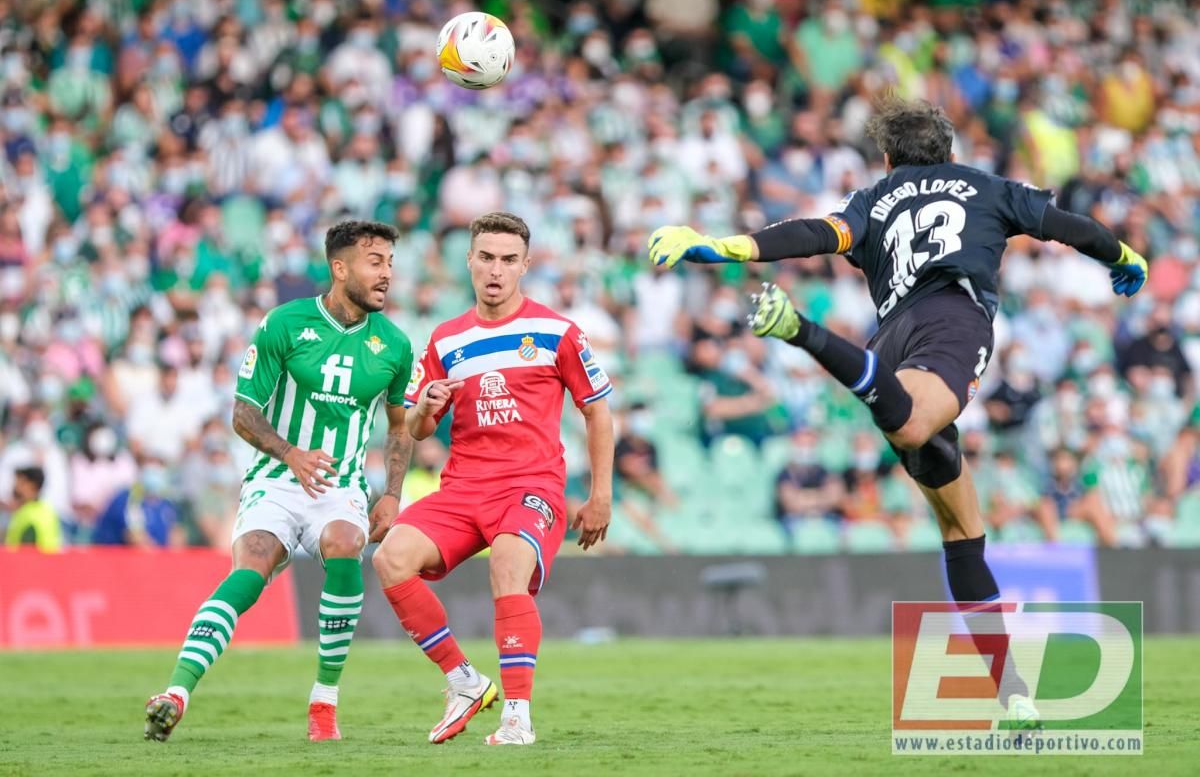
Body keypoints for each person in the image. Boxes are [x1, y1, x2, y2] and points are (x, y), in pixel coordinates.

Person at [648, 95, 1149, 727]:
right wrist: (1122, 256)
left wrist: (723, 246)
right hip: (952, 318)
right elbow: (1068, 225)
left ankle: (1014, 695)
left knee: (961, 531)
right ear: (949, 151)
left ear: (887, 158)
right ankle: (799, 329)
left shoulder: (871, 200)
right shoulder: (986, 186)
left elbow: (812, 235)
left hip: (892, 341)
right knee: (915, 421)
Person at [144, 220, 416, 743]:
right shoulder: (284, 325)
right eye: (375, 262)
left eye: (389, 263)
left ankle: (324, 704)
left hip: (341, 487)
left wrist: (392, 494)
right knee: (254, 562)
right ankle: (176, 691)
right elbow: (243, 413)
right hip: (276, 477)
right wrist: (291, 453)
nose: (386, 274)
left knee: (344, 543)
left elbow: (399, 428)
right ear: (340, 268)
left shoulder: (395, 345)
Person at [372, 211, 614, 747]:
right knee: (391, 559)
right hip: (461, 489)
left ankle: (517, 718)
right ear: (470, 261)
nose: (496, 270)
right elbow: (415, 424)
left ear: (526, 265)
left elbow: (597, 411)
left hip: (531, 486)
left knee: (507, 563)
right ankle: (464, 683)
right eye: (486, 258)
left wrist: (601, 495)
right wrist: (426, 408)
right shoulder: (445, 338)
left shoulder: (558, 331)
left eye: (508, 260)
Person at [4, 467, 62, 552]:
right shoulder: (47, 511)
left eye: (21, 483)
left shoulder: (29, 518)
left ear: (32, 486)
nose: (15, 487)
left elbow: (26, 556)